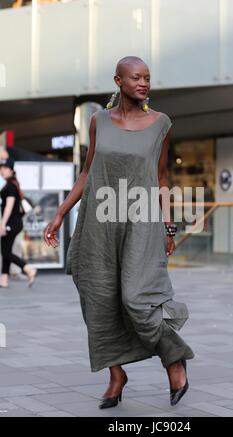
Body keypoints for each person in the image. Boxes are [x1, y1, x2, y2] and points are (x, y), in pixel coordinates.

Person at [44, 56, 195, 409]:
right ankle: (116, 376)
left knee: (136, 298)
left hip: (142, 221)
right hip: (99, 223)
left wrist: (169, 225)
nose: (144, 83)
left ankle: (174, 359)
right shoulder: (98, 121)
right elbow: (86, 172)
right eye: (136, 77)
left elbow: (161, 178)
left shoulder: (161, 123)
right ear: (118, 80)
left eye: (147, 78)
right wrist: (59, 214)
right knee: (99, 298)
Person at [0, 157, 37, 288]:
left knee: (6, 252)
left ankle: (28, 269)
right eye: (1, 168)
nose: (2, 171)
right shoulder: (13, 183)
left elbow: (9, 206)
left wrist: (2, 224)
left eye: (5, 168)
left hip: (12, 223)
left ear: (11, 170)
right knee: (6, 249)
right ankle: (3, 280)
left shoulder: (10, 186)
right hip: (15, 222)